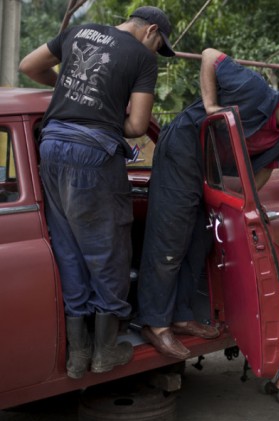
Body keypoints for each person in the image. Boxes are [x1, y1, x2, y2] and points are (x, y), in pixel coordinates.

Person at [137, 47, 279, 360]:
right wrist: (210, 105)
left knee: (199, 242)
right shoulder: (253, 89)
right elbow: (208, 55)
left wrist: (242, 204)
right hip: (182, 151)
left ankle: (181, 315)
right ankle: (155, 323)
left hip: (209, 170)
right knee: (169, 239)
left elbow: (262, 174)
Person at [18, 6, 175, 379]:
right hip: (93, 155)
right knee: (108, 248)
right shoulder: (140, 57)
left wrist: (68, 90)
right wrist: (103, 110)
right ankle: (105, 351)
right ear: (150, 30)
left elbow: (29, 66)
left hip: (51, 148)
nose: (155, 51)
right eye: (159, 44)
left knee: (69, 247)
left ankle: (77, 357)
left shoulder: (79, 31)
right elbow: (137, 125)